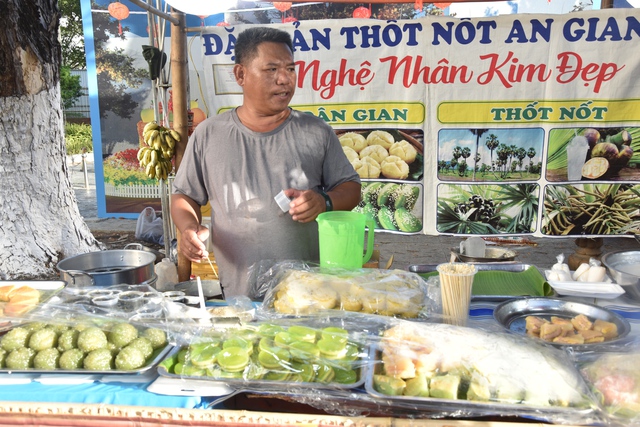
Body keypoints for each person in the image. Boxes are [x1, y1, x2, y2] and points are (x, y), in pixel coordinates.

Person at [171, 27, 361, 298]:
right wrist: (189, 227)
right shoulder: (209, 134)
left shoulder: (316, 132)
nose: (284, 80)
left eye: (290, 69)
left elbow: (351, 187)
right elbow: (184, 195)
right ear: (240, 74)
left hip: (308, 293)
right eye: (271, 70)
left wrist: (325, 202)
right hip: (238, 294)